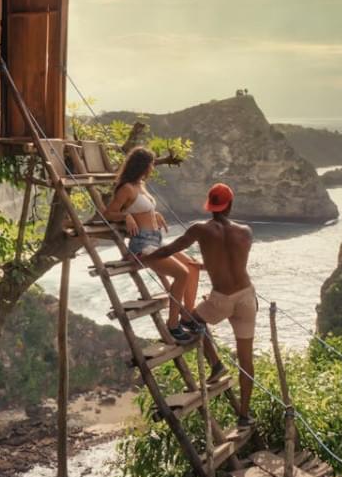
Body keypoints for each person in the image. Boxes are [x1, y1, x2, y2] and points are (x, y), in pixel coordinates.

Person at [140, 182, 256, 427]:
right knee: (247, 360)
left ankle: (217, 364)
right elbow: (232, 260)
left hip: (221, 299)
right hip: (247, 296)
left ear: (210, 206)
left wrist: (146, 258)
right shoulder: (246, 231)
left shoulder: (200, 229)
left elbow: (171, 248)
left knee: (190, 321)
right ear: (230, 205)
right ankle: (244, 416)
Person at [103, 147, 202, 344]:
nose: (153, 168)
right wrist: (126, 216)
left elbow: (142, 209)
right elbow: (108, 213)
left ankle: (187, 316)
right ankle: (173, 325)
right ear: (143, 165)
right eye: (151, 164)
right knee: (182, 273)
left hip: (155, 240)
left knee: (193, 266)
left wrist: (153, 214)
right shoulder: (127, 188)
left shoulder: (141, 185)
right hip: (142, 245)